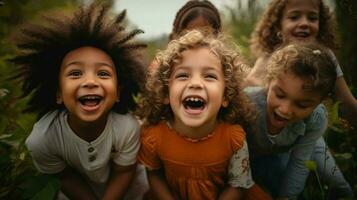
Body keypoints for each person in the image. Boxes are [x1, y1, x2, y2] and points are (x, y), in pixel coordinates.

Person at [12, 3, 148, 200]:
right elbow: (65, 177)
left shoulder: (127, 127)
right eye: (75, 73)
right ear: (58, 94)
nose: (90, 81)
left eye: (102, 73)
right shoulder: (43, 139)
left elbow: (124, 172)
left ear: (118, 93)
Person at [137, 30, 270, 200]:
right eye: (183, 75)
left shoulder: (233, 138)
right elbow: (154, 174)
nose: (195, 83)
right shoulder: (153, 137)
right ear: (165, 93)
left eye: (209, 76)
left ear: (225, 95)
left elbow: (238, 185)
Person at [229, 43, 353, 199]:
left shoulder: (316, 118)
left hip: (283, 152)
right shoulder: (246, 104)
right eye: (280, 95)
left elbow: (299, 164)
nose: (285, 109)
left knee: (333, 181)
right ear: (269, 82)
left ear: (319, 102)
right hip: (247, 158)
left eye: (302, 105)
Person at [246, 0, 357, 125]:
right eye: (294, 17)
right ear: (278, 24)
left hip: (307, 132)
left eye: (312, 18)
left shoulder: (324, 57)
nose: (304, 23)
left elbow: (345, 102)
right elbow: (249, 88)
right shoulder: (270, 56)